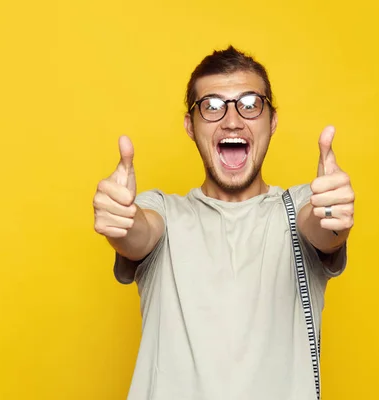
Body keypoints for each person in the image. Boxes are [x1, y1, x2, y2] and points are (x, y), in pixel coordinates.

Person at [93, 46, 355, 400]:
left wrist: (332, 214)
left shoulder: (302, 206)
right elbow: (138, 233)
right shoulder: (163, 213)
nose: (232, 121)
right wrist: (121, 220)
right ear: (190, 125)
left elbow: (324, 229)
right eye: (212, 106)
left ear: (272, 121)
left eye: (250, 104)